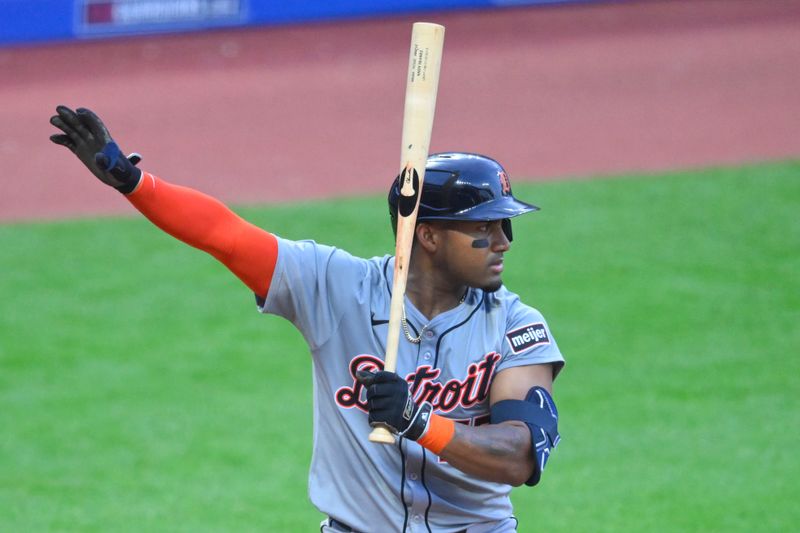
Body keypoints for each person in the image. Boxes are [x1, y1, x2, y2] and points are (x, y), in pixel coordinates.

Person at [49, 105, 565, 533]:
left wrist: (420, 423)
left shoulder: (515, 324)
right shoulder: (334, 286)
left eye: (505, 226)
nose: (502, 242)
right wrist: (132, 182)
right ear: (427, 236)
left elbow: (519, 456)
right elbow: (224, 236)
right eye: (484, 227)